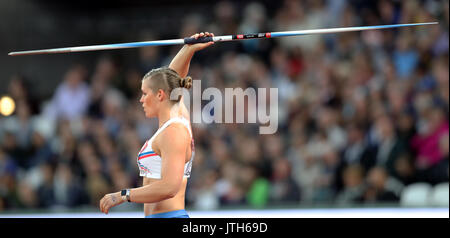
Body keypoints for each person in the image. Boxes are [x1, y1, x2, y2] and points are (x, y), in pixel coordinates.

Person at [99, 32, 215, 218]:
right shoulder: (175, 120)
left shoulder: (174, 131)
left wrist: (123, 195)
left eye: (145, 93)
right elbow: (173, 75)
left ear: (160, 95)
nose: (141, 99)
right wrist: (189, 48)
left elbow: (169, 187)